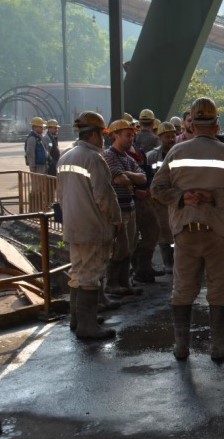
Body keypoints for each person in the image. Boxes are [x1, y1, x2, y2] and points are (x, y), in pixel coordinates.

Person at [151, 97, 224, 361]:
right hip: (220, 233)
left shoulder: (176, 152)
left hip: (185, 232)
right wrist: (215, 197)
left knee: (183, 289)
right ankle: (218, 346)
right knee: (219, 290)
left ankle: (181, 346)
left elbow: (157, 189)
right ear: (217, 125)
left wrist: (182, 197)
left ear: (192, 125)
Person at [56, 111, 121, 340]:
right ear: (94, 135)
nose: (104, 141)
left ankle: (79, 319)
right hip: (93, 227)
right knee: (90, 276)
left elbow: (60, 194)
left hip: (73, 225)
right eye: (102, 135)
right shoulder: (94, 158)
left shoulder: (66, 156)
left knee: (78, 272)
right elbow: (104, 195)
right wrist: (116, 220)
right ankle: (88, 326)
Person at [103, 119, 148, 296]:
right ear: (115, 135)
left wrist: (128, 176)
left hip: (129, 207)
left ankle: (124, 282)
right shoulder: (109, 156)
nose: (132, 138)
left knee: (129, 245)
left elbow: (142, 177)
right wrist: (129, 178)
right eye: (128, 135)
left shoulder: (127, 158)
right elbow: (118, 179)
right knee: (119, 247)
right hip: (118, 209)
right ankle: (112, 283)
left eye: (132, 135)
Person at [144, 121, 178, 274]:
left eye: (173, 136)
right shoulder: (151, 156)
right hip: (159, 200)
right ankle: (168, 262)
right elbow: (148, 176)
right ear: (160, 137)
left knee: (177, 231)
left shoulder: (181, 153)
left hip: (177, 197)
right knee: (165, 233)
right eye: (167, 136)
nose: (171, 139)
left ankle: (178, 259)